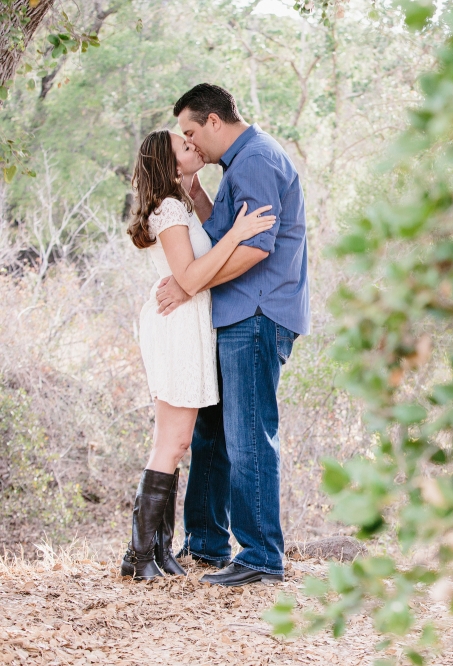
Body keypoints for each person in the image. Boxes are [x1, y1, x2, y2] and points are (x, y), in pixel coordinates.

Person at [156, 83, 311, 587]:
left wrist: (189, 283)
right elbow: (223, 234)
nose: (190, 142)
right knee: (213, 434)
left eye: (191, 131)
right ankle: (205, 543)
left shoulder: (256, 161)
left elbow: (254, 248)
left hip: (257, 314)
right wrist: (198, 195)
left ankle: (262, 556)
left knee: (247, 437)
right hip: (233, 315)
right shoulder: (236, 166)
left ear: (215, 122)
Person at [122, 129, 276, 580]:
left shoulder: (181, 202)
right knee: (172, 442)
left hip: (190, 325)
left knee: (176, 442)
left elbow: (204, 243)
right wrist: (239, 235)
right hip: (176, 327)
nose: (193, 146)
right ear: (169, 166)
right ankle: (140, 555)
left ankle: (155, 552)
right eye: (183, 147)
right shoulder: (168, 209)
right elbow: (188, 274)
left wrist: (205, 200)